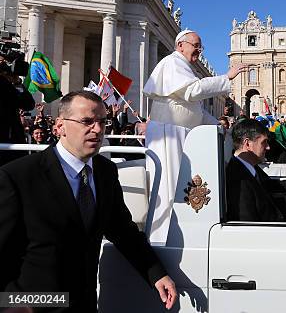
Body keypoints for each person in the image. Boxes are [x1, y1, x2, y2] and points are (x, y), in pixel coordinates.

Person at [0, 91, 177, 311]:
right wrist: (13, 304)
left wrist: (156, 273)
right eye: (87, 121)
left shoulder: (106, 172)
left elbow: (123, 231)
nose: (98, 129)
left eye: (103, 122)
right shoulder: (18, 177)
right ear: (60, 126)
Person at [143, 29, 247, 243]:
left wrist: (215, 125)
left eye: (201, 47)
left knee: (179, 186)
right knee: (168, 187)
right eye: (195, 45)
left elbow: (192, 110)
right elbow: (192, 92)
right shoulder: (173, 62)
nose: (199, 50)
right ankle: (160, 237)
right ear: (180, 45)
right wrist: (226, 77)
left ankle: (179, 231)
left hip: (180, 133)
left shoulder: (184, 67)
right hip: (168, 135)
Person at [225, 119, 286, 221]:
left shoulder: (248, 166)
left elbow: (265, 190)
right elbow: (247, 225)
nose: (268, 147)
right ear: (248, 144)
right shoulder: (239, 180)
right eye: (264, 142)